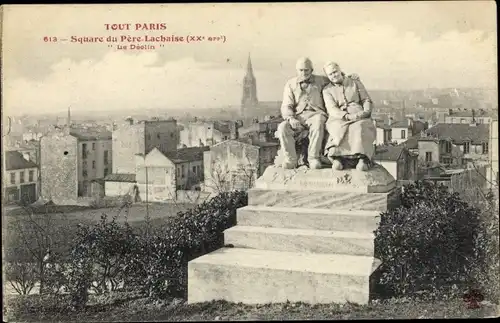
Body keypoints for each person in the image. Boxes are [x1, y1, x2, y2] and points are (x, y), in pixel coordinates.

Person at [276, 57, 329, 169]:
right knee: (283, 127)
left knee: (318, 121)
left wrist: (351, 78)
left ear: (312, 70)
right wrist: (291, 118)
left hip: (316, 114)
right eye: (301, 70)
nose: (303, 73)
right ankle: (291, 159)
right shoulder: (290, 84)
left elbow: (337, 78)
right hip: (298, 117)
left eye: (306, 70)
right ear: (297, 70)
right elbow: (286, 105)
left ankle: (313, 158)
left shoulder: (322, 80)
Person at [322, 61, 376, 171]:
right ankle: (337, 158)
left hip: (358, 113)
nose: (334, 76)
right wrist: (346, 116)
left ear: (340, 70)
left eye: (335, 72)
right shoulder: (326, 90)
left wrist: (366, 111)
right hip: (339, 117)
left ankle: (362, 158)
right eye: (330, 74)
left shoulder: (354, 82)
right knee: (336, 128)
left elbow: (366, 99)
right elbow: (332, 109)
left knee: (360, 126)